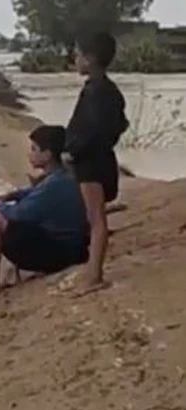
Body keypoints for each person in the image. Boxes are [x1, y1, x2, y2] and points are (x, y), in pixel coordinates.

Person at [0, 125, 90, 303]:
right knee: (5, 218)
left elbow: (18, 213)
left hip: (62, 253)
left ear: (47, 155)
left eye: (34, 149)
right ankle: (4, 278)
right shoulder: (64, 175)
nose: (29, 154)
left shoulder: (54, 184)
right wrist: (9, 196)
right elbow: (32, 193)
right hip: (74, 247)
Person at [65, 31, 129, 293]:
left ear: (90, 59)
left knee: (97, 221)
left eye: (78, 54)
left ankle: (94, 277)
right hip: (101, 158)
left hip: (90, 162)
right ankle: (92, 272)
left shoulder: (95, 91)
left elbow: (90, 129)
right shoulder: (109, 90)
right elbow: (120, 124)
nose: (75, 58)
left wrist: (73, 152)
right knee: (96, 218)